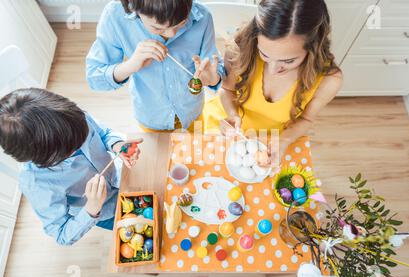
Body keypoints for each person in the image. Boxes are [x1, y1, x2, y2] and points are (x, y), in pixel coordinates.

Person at [202, 0, 343, 163]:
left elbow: (306, 119)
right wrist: (232, 114)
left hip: (273, 140)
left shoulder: (328, 80)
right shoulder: (241, 47)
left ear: (313, 48)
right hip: (224, 124)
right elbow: (226, 90)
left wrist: (283, 141)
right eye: (265, 55)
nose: (273, 69)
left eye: (288, 61)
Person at [0, 88, 142, 245]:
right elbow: (62, 235)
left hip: (125, 175)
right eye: (71, 149)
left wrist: (116, 144)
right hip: (107, 211)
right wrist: (92, 207)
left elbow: (103, 133)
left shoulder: (70, 119)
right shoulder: (35, 183)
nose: (80, 144)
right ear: (43, 156)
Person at [86, 0, 225, 131]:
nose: (171, 34)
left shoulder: (202, 17)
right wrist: (131, 65)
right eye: (158, 28)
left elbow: (216, 69)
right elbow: (94, 77)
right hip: (151, 120)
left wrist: (214, 79)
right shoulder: (115, 16)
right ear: (134, 8)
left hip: (192, 114)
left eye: (181, 24)